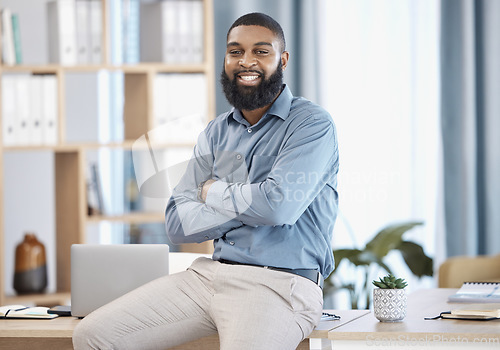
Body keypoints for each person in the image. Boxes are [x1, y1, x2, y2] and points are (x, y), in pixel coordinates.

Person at [73, 12, 339, 350]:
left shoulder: (311, 124)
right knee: (92, 335)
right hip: (209, 276)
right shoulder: (215, 132)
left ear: (282, 59)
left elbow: (278, 207)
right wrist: (252, 199)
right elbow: (177, 223)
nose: (246, 61)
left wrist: (213, 191)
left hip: (279, 284)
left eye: (261, 51)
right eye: (235, 51)